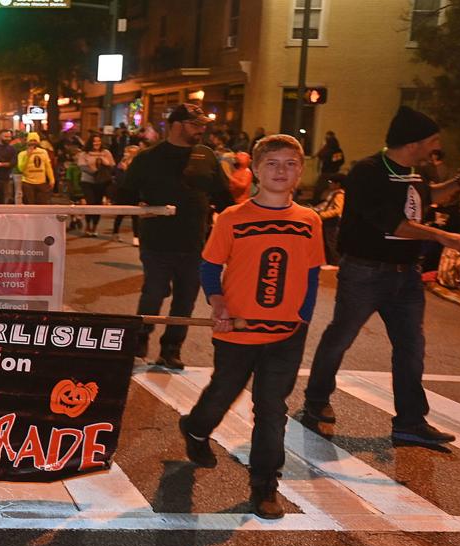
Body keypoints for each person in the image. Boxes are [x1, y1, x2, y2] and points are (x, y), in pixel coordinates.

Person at [298, 106, 460, 447]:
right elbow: (394, 224)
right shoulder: (367, 172)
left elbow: (429, 199)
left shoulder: (413, 172)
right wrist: (444, 237)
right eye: (433, 140)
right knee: (341, 337)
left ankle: (410, 422)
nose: (436, 146)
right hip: (366, 272)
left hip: (406, 276)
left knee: (411, 347)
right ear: (414, 142)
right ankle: (315, 400)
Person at [177, 135, 326, 520]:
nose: (281, 171)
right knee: (222, 392)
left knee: (272, 409)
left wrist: (302, 318)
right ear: (255, 170)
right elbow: (210, 267)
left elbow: (311, 275)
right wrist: (218, 301)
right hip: (237, 329)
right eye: (272, 163)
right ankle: (195, 428)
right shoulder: (232, 218)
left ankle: (264, 485)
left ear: (300, 170)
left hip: (286, 334)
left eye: (290, 163)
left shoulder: (309, 221)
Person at [112, 103, 233, 369]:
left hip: (195, 243)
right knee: (153, 292)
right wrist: (141, 209)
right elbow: (125, 196)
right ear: (176, 125)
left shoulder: (206, 156)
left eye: (203, 125)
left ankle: (171, 348)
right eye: (195, 125)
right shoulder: (147, 158)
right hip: (157, 242)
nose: (201, 130)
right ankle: (141, 339)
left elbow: (225, 198)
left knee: (186, 298)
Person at [76, 134, 115, 236]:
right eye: (94, 141)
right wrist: (95, 172)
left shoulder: (106, 152)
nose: (97, 143)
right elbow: (82, 166)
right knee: (91, 203)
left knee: (98, 205)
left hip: (101, 182)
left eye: (98, 141)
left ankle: (94, 227)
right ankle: (88, 225)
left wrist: (105, 164)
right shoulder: (84, 154)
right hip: (88, 181)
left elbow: (112, 165)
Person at [17, 134, 52, 205]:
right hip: (28, 183)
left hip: (41, 182)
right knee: (29, 205)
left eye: (35, 140)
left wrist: (52, 179)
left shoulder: (43, 152)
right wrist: (28, 156)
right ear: (27, 142)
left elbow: (48, 166)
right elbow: (21, 168)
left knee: (42, 205)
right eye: (31, 140)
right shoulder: (22, 154)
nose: (33, 142)